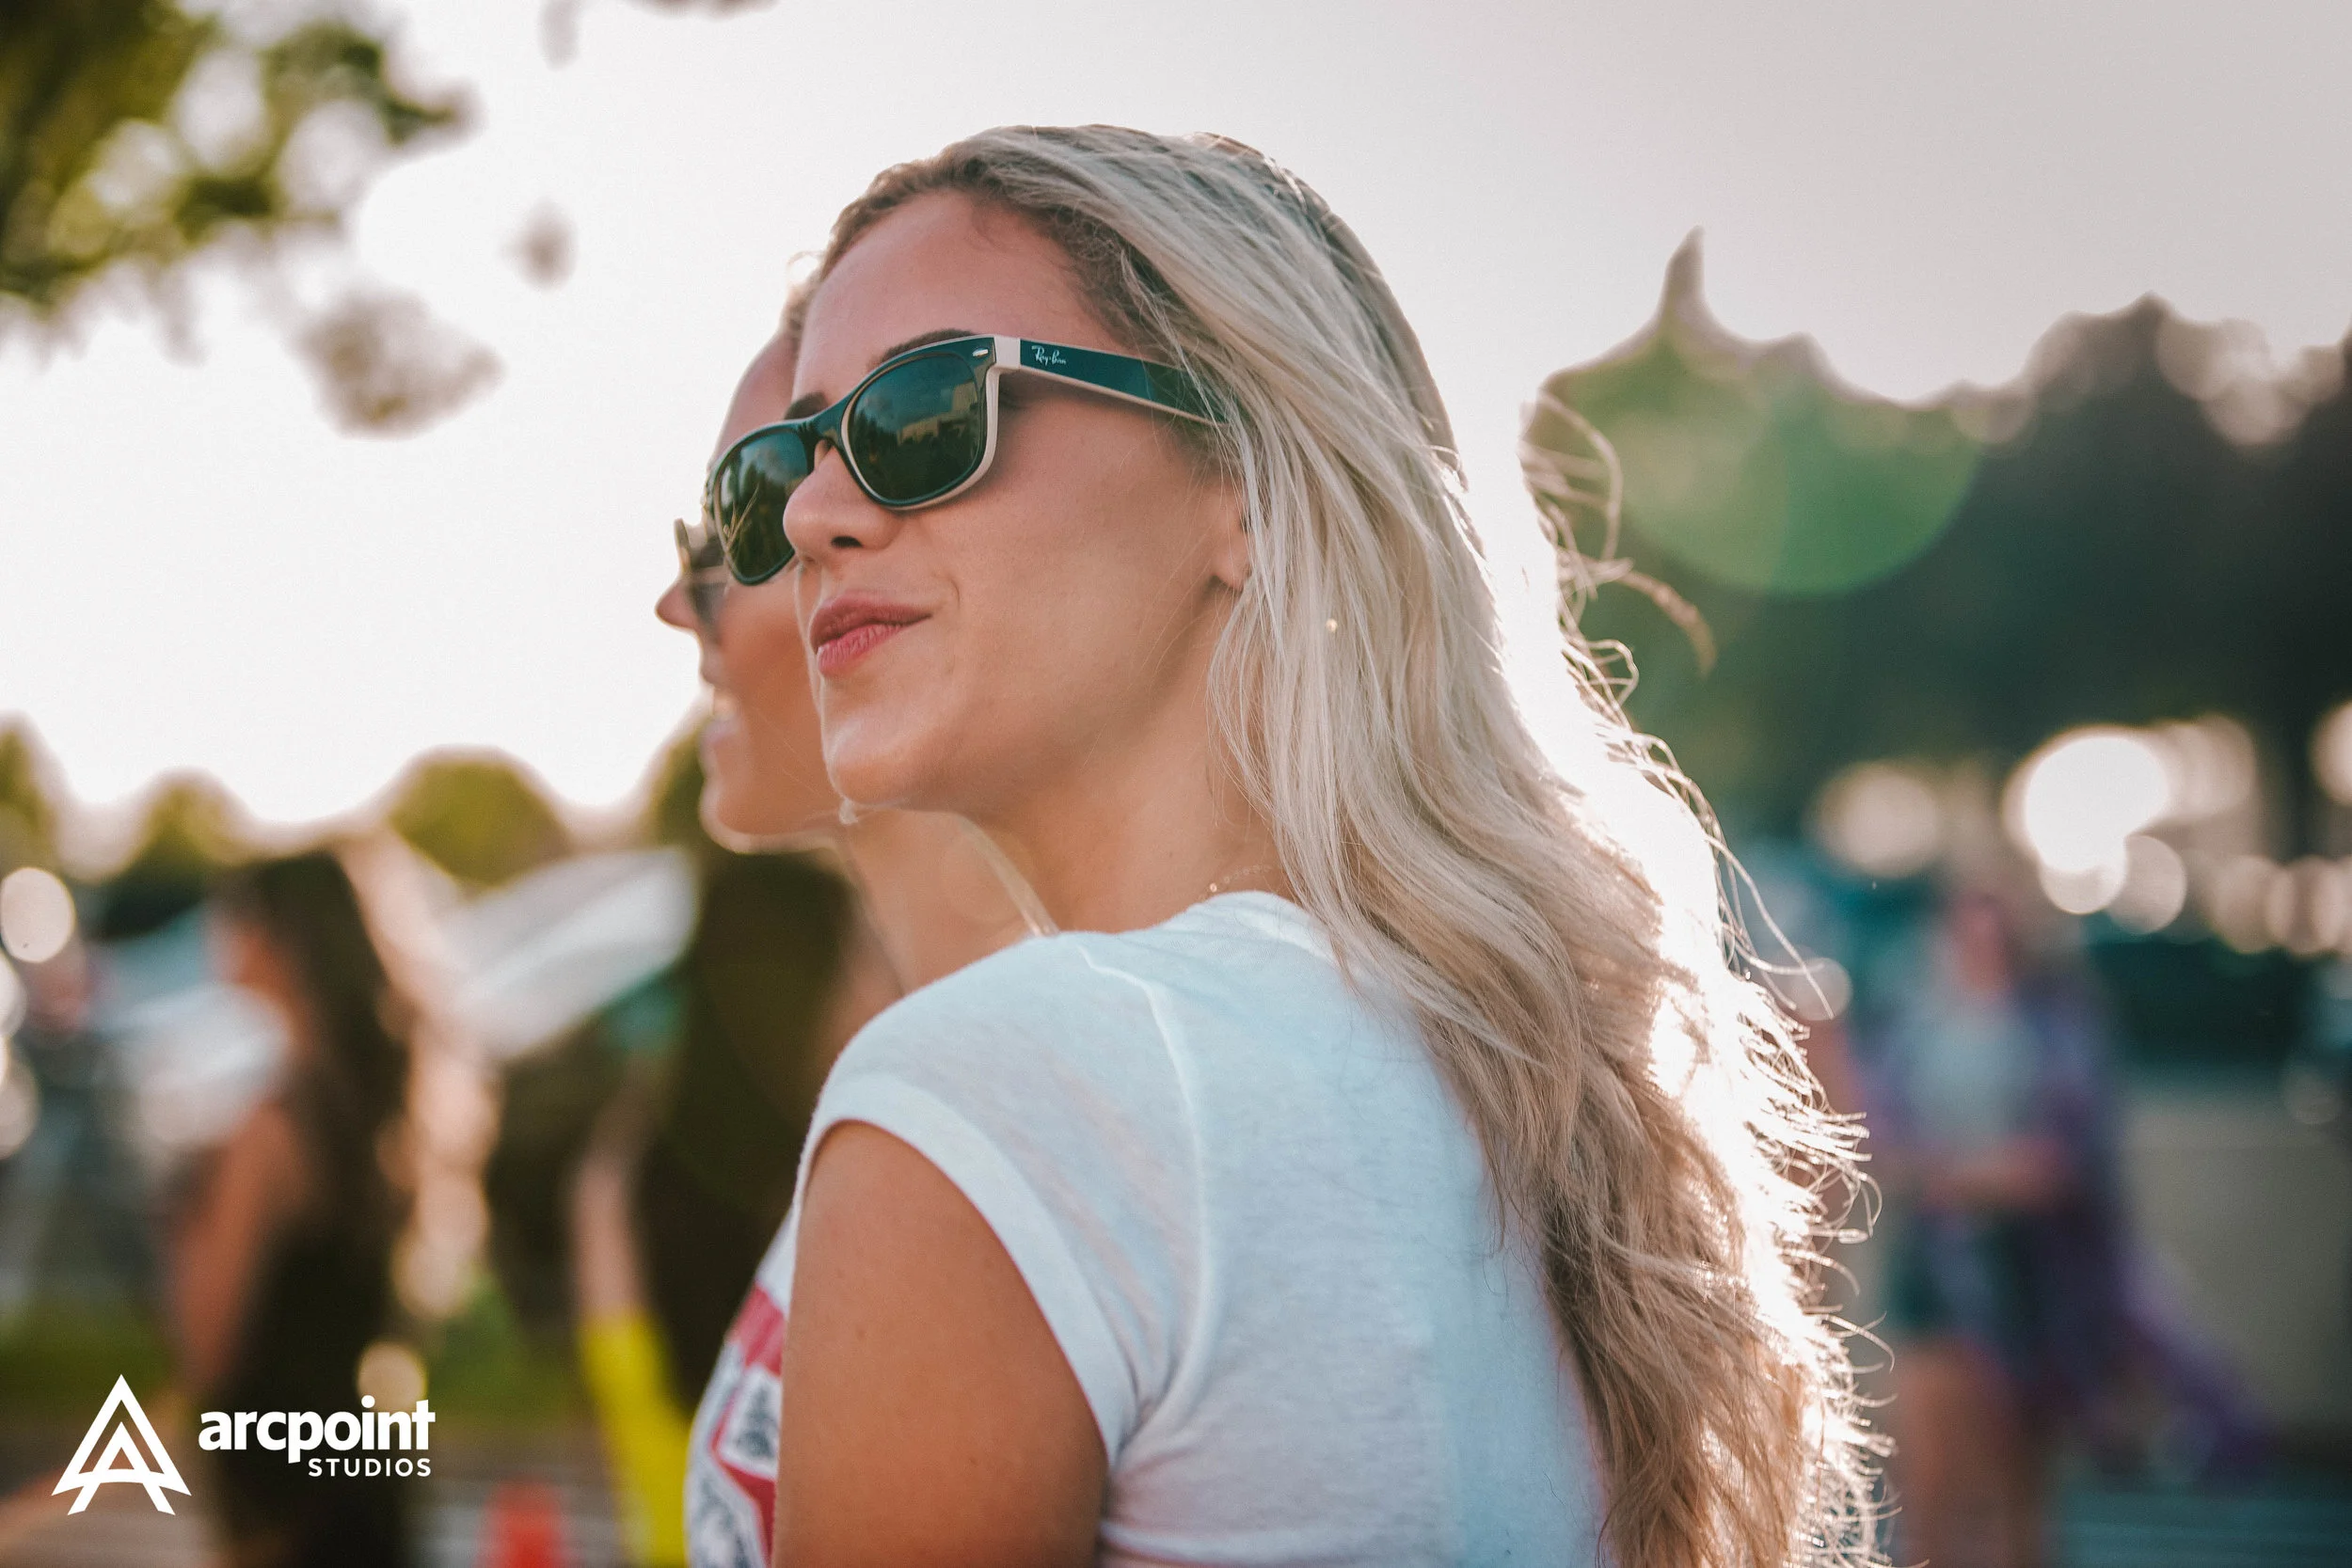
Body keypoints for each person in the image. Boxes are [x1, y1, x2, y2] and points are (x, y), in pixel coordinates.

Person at [685, 126, 1876, 1567]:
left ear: (1240, 485)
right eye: (779, 466)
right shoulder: (1496, 1070)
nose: (812, 514)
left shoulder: (1001, 1088)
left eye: (925, 412)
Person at [174, 849, 414, 1568]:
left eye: (238, 918)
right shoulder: (383, 1108)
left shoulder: (267, 1132)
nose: (221, 938)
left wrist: (186, 1219)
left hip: (274, 1479)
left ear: (281, 938)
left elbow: (209, 1338)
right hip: (366, 1457)